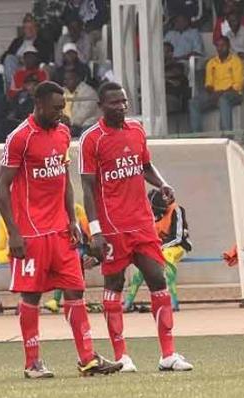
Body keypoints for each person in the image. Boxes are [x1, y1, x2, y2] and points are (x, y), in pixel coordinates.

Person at [0, 81, 121, 379]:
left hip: (60, 231)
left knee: (75, 288)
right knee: (32, 296)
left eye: (62, 108)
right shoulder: (20, 138)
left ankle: (87, 359)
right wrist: (13, 232)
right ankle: (32, 363)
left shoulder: (63, 132)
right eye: (55, 108)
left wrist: (73, 219)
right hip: (30, 233)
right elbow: (1, 187)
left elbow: (63, 176)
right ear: (38, 104)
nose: (60, 113)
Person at [79, 81, 193, 373]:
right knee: (115, 284)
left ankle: (168, 355)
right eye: (115, 102)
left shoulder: (136, 130)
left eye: (124, 101)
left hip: (142, 222)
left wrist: (163, 183)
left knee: (157, 278)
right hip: (112, 225)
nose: (121, 106)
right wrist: (95, 230)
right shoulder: (91, 139)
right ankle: (122, 356)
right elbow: (88, 187)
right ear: (101, 106)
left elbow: (144, 166)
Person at [124, 189, 192, 312]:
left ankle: (173, 302)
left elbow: (178, 237)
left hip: (177, 246)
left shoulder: (176, 210)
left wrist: (160, 248)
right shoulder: (152, 214)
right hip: (159, 247)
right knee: (142, 269)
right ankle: (128, 302)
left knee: (166, 260)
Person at [188, 36, 244, 133]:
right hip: (215, 93)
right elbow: (208, 83)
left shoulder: (236, 61)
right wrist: (212, 93)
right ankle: (196, 136)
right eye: (218, 46)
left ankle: (227, 135)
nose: (220, 48)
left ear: (229, 46)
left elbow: (238, 84)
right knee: (193, 102)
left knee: (223, 99)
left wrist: (220, 93)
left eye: (223, 45)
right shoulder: (211, 63)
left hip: (233, 93)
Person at [1, 15, 52, 89]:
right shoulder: (17, 41)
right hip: (16, 68)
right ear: (23, 29)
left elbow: (45, 57)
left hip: (33, 68)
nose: (29, 30)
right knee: (9, 58)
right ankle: (13, 88)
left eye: (32, 28)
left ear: (36, 28)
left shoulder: (42, 42)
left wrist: (28, 59)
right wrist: (19, 59)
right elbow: (5, 56)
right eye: (27, 28)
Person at [62, 69, 99, 136]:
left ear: (77, 79)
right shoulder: (64, 90)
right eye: (65, 79)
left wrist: (68, 121)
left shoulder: (88, 92)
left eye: (69, 79)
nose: (66, 82)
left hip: (86, 125)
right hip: (70, 124)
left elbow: (81, 118)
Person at [164, 42, 190, 113]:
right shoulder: (158, 67)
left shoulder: (178, 66)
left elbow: (175, 77)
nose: (162, 54)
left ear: (171, 53)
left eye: (165, 52)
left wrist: (164, 78)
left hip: (171, 97)